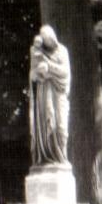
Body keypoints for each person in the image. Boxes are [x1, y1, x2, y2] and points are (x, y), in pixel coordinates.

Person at [29, 25, 70, 166]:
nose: (48, 43)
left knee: (61, 127)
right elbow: (32, 75)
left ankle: (62, 158)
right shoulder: (38, 53)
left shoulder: (62, 51)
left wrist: (49, 67)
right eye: (45, 40)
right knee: (47, 127)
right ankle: (46, 159)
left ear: (53, 38)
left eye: (49, 39)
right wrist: (37, 73)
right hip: (44, 95)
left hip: (58, 94)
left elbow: (65, 72)